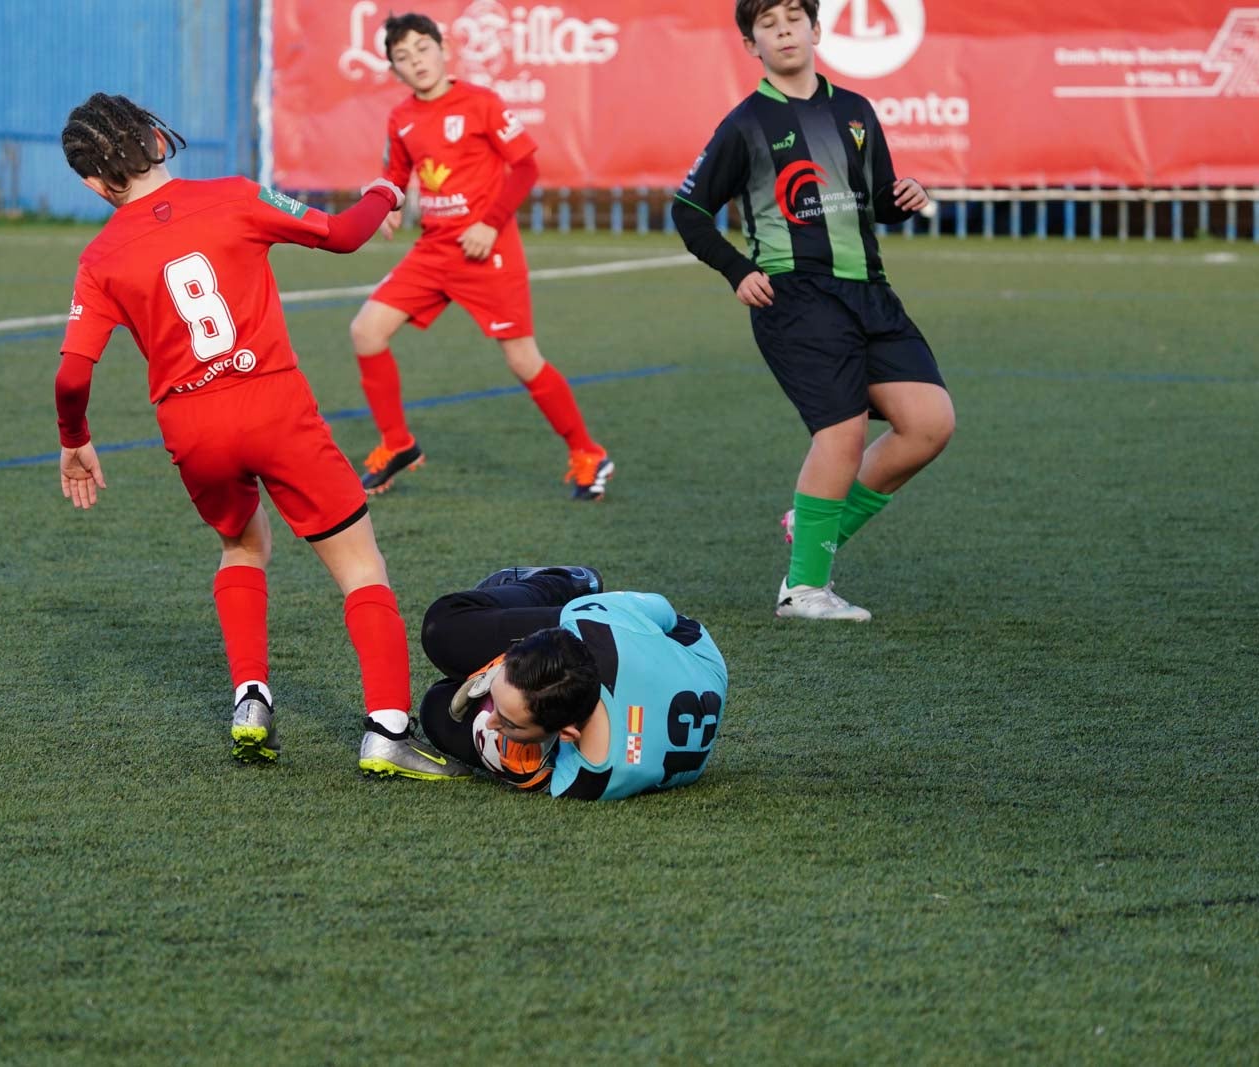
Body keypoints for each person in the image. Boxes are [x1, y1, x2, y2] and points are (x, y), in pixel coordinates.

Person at [52, 92, 466, 780]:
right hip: (273, 402)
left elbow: (71, 374)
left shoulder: (99, 257)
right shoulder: (234, 195)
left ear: (93, 184)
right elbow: (343, 234)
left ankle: (250, 697)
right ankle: (388, 729)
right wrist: (386, 189)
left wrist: (75, 437)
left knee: (242, 543)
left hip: (191, 423)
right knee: (361, 565)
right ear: (159, 140)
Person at [672, 0, 955, 621]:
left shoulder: (856, 110)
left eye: (793, 21)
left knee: (929, 424)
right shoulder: (745, 123)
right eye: (767, 26)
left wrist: (903, 198)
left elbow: (877, 197)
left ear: (817, 30)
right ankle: (803, 591)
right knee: (843, 433)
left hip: (870, 292)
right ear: (753, 46)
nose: (783, 32)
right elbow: (688, 211)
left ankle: (815, 520)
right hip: (794, 297)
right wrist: (737, 269)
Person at [347, 11, 615, 502]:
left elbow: (526, 168)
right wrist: (381, 201)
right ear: (394, 70)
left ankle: (586, 451)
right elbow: (397, 174)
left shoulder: (481, 103)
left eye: (422, 49)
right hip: (433, 251)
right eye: (403, 57)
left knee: (522, 359)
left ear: (443, 48)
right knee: (366, 331)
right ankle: (397, 444)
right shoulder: (401, 117)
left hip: (487, 251)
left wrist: (489, 223)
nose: (416, 61)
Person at [416, 567, 727, 800]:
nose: (493, 720)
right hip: (696, 654)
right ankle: (567, 581)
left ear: (566, 734)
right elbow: (666, 612)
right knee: (442, 632)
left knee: (436, 708)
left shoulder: (582, 779)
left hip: (675, 669)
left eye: (508, 721)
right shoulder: (595, 624)